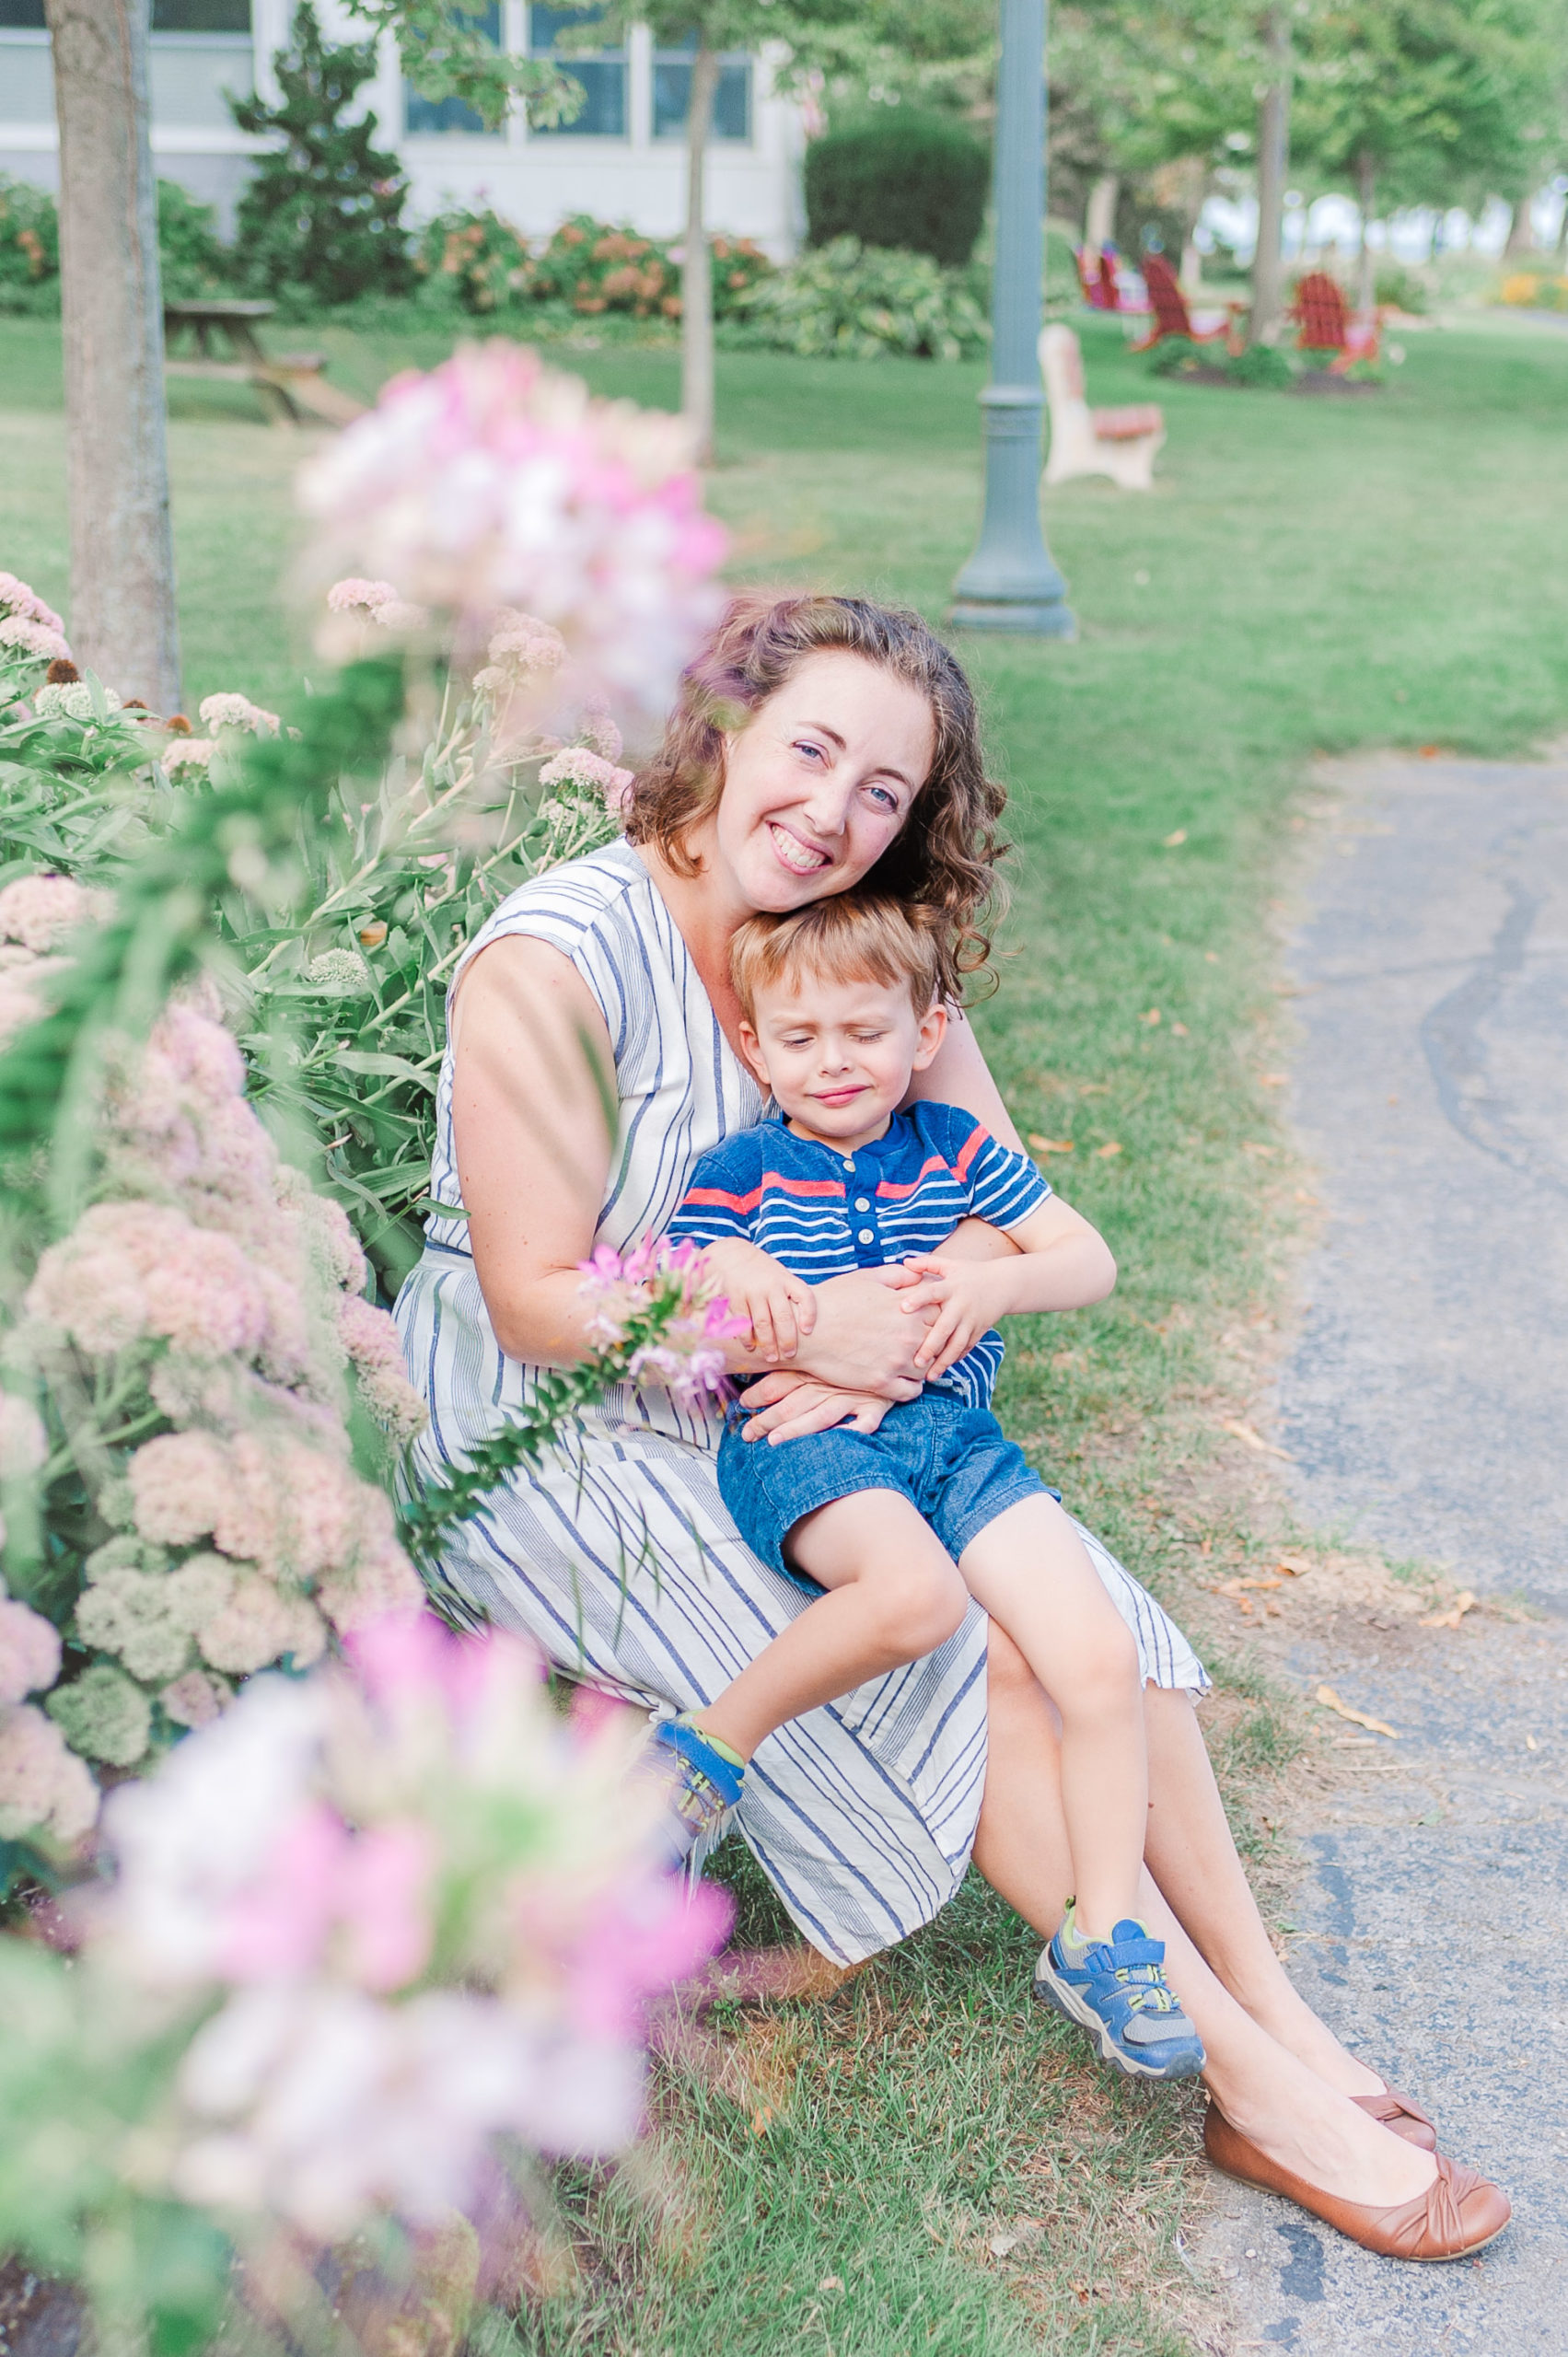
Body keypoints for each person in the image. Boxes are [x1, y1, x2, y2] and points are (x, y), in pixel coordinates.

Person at [396, 590, 1508, 2261]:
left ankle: (1282, 2021)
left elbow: (1005, 1219)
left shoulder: (860, 955)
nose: (836, 813)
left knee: (1090, 1629)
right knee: (957, 1651)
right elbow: (538, 1295)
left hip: (830, 1404)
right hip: (550, 1424)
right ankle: (1257, 2093)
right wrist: (794, 1325)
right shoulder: (560, 963)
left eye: (884, 791)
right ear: (723, 731)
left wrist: (880, 1331)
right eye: (813, 751)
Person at [655, 891, 1204, 2081]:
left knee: (1099, 1657)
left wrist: (996, 1289)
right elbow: (686, 1278)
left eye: (865, 1032)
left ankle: (1107, 1936)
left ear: (927, 1029)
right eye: (799, 1039)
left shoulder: (954, 1152)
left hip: (955, 1442)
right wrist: (743, 1269)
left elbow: (1087, 1257)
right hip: (806, 1442)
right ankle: (701, 1756)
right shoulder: (742, 1170)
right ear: (755, 1046)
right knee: (915, 1594)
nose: (835, 1063)